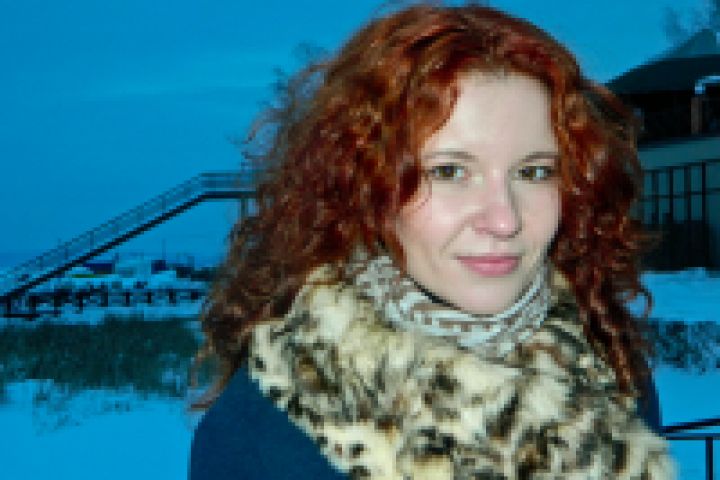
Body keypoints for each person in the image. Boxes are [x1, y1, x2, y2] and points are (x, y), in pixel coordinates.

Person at [190, 3, 674, 479]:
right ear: (366, 188)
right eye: (448, 172)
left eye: (533, 172)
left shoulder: (608, 374)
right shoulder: (265, 436)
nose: (504, 220)